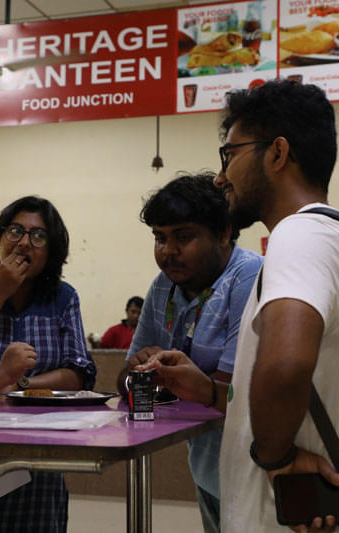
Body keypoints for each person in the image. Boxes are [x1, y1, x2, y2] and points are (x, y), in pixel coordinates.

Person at [148, 80, 339, 532]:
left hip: (293, 517)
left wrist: (275, 458)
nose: (221, 177)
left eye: (230, 155)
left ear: (276, 153)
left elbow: (286, 366)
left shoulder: (300, 235)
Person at [119, 173, 263, 533]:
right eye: (159, 238)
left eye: (184, 237)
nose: (168, 251)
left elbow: (229, 389)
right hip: (207, 467)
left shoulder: (249, 275)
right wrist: (138, 370)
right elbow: (125, 383)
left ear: (224, 232)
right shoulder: (165, 285)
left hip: (258, 470)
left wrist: (167, 379)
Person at [0, 195, 97, 533]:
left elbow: (80, 372)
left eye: (38, 236)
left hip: (38, 451)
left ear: (51, 252)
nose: (25, 242)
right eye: (15, 231)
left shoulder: (62, 298)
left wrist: (22, 385)